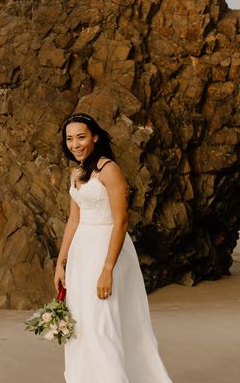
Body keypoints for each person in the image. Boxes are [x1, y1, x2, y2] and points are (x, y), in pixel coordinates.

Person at [55, 112, 173, 382]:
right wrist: (61, 263)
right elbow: (74, 219)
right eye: (70, 139)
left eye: (81, 137)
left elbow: (121, 221)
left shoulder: (110, 170)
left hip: (107, 249)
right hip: (81, 254)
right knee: (81, 324)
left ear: (95, 137)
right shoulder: (76, 173)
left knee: (102, 324)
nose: (75, 144)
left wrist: (107, 268)